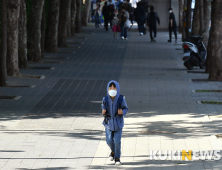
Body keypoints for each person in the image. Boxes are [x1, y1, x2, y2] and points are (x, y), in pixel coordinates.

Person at [101, 81, 128, 166]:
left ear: (117, 89)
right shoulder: (105, 99)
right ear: (107, 89)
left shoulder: (121, 99)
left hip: (118, 123)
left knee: (117, 141)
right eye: (110, 88)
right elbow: (103, 107)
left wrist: (122, 112)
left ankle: (117, 158)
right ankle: (113, 150)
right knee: (109, 141)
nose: (112, 90)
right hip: (108, 123)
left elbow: (126, 109)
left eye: (114, 88)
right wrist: (103, 111)